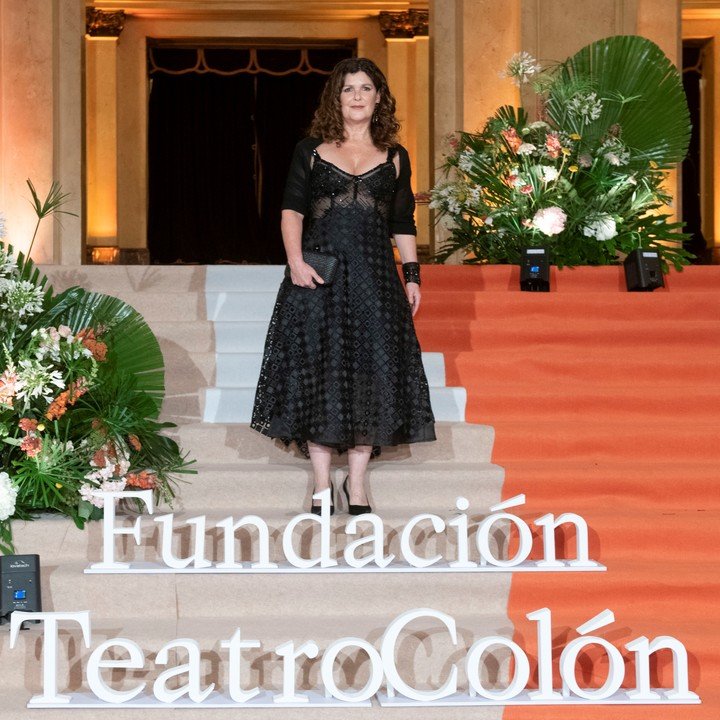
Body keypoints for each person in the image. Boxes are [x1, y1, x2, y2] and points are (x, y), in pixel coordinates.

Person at [250, 57, 436, 515]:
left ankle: (356, 484)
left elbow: (402, 221)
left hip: (375, 278)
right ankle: (319, 483)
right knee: (318, 372)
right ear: (337, 98)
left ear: (378, 97)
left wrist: (411, 275)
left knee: (369, 374)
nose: (356, 95)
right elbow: (291, 210)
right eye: (348, 88)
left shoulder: (395, 156)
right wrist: (294, 262)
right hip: (318, 277)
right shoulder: (311, 150)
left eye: (365, 87)